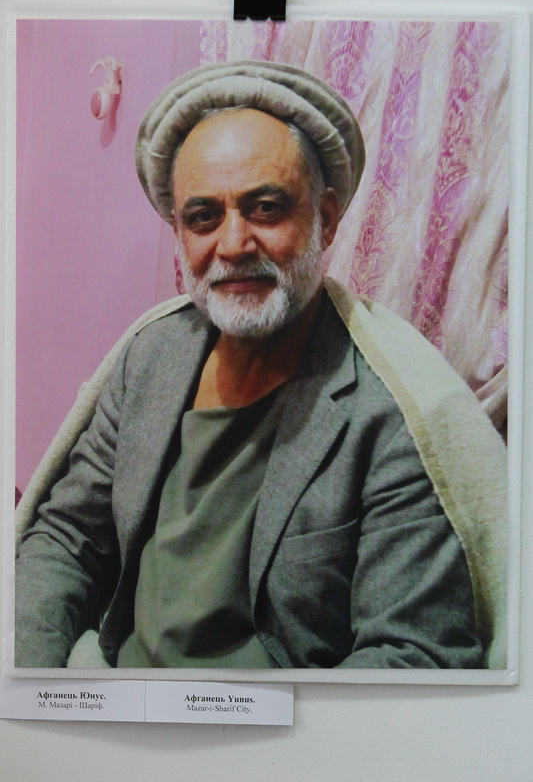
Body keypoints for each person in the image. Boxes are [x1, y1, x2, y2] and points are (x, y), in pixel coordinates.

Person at [15, 60, 507, 670]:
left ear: (325, 218)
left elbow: (414, 654)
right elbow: (66, 538)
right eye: (203, 217)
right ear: (179, 233)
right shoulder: (149, 357)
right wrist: (32, 689)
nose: (232, 244)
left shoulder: (396, 409)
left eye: (266, 207)